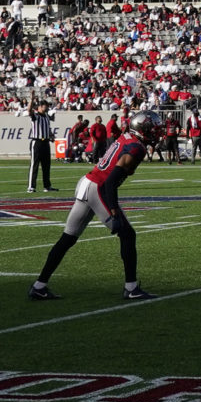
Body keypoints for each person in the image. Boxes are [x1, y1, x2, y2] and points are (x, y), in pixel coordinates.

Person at [30, 110, 154, 301]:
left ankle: (39, 286)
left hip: (87, 183)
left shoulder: (127, 137)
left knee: (68, 238)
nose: (157, 130)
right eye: (153, 127)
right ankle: (131, 288)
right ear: (143, 129)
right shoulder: (137, 148)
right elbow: (111, 181)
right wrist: (113, 210)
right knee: (127, 235)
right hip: (98, 187)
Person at [26, 104, 55, 194]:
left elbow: (48, 127)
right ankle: (31, 186)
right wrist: (31, 98)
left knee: (46, 166)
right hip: (37, 142)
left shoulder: (46, 116)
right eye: (44, 106)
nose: (46, 107)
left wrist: (51, 135)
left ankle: (47, 186)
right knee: (34, 165)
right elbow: (29, 110)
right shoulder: (35, 115)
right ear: (39, 107)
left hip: (46, 142)